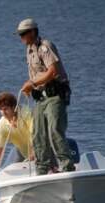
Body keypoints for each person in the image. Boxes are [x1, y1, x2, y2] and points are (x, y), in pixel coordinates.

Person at [17, 18, 75, 175]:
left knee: (54, 130)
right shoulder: (29, 50)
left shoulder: (45, 46)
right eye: (19, 34)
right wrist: (31, 86)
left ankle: (67, 166)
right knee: (37, 133)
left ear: (33, 32)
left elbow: (52, 71)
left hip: (55, 95)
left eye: (23, 34)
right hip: (40, 98)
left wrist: (32, 82)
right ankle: (42, 168)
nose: (21, 37)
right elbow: (36, 75)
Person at [0, 92, 34, 184]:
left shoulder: (26, 113)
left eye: (5, 109)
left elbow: (35, 135)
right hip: (22, 151)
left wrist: (33, 153)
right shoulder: (2, 125)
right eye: (0, 110)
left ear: (14, 107)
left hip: (40, 149)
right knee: (2, 173)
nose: (3, 113)